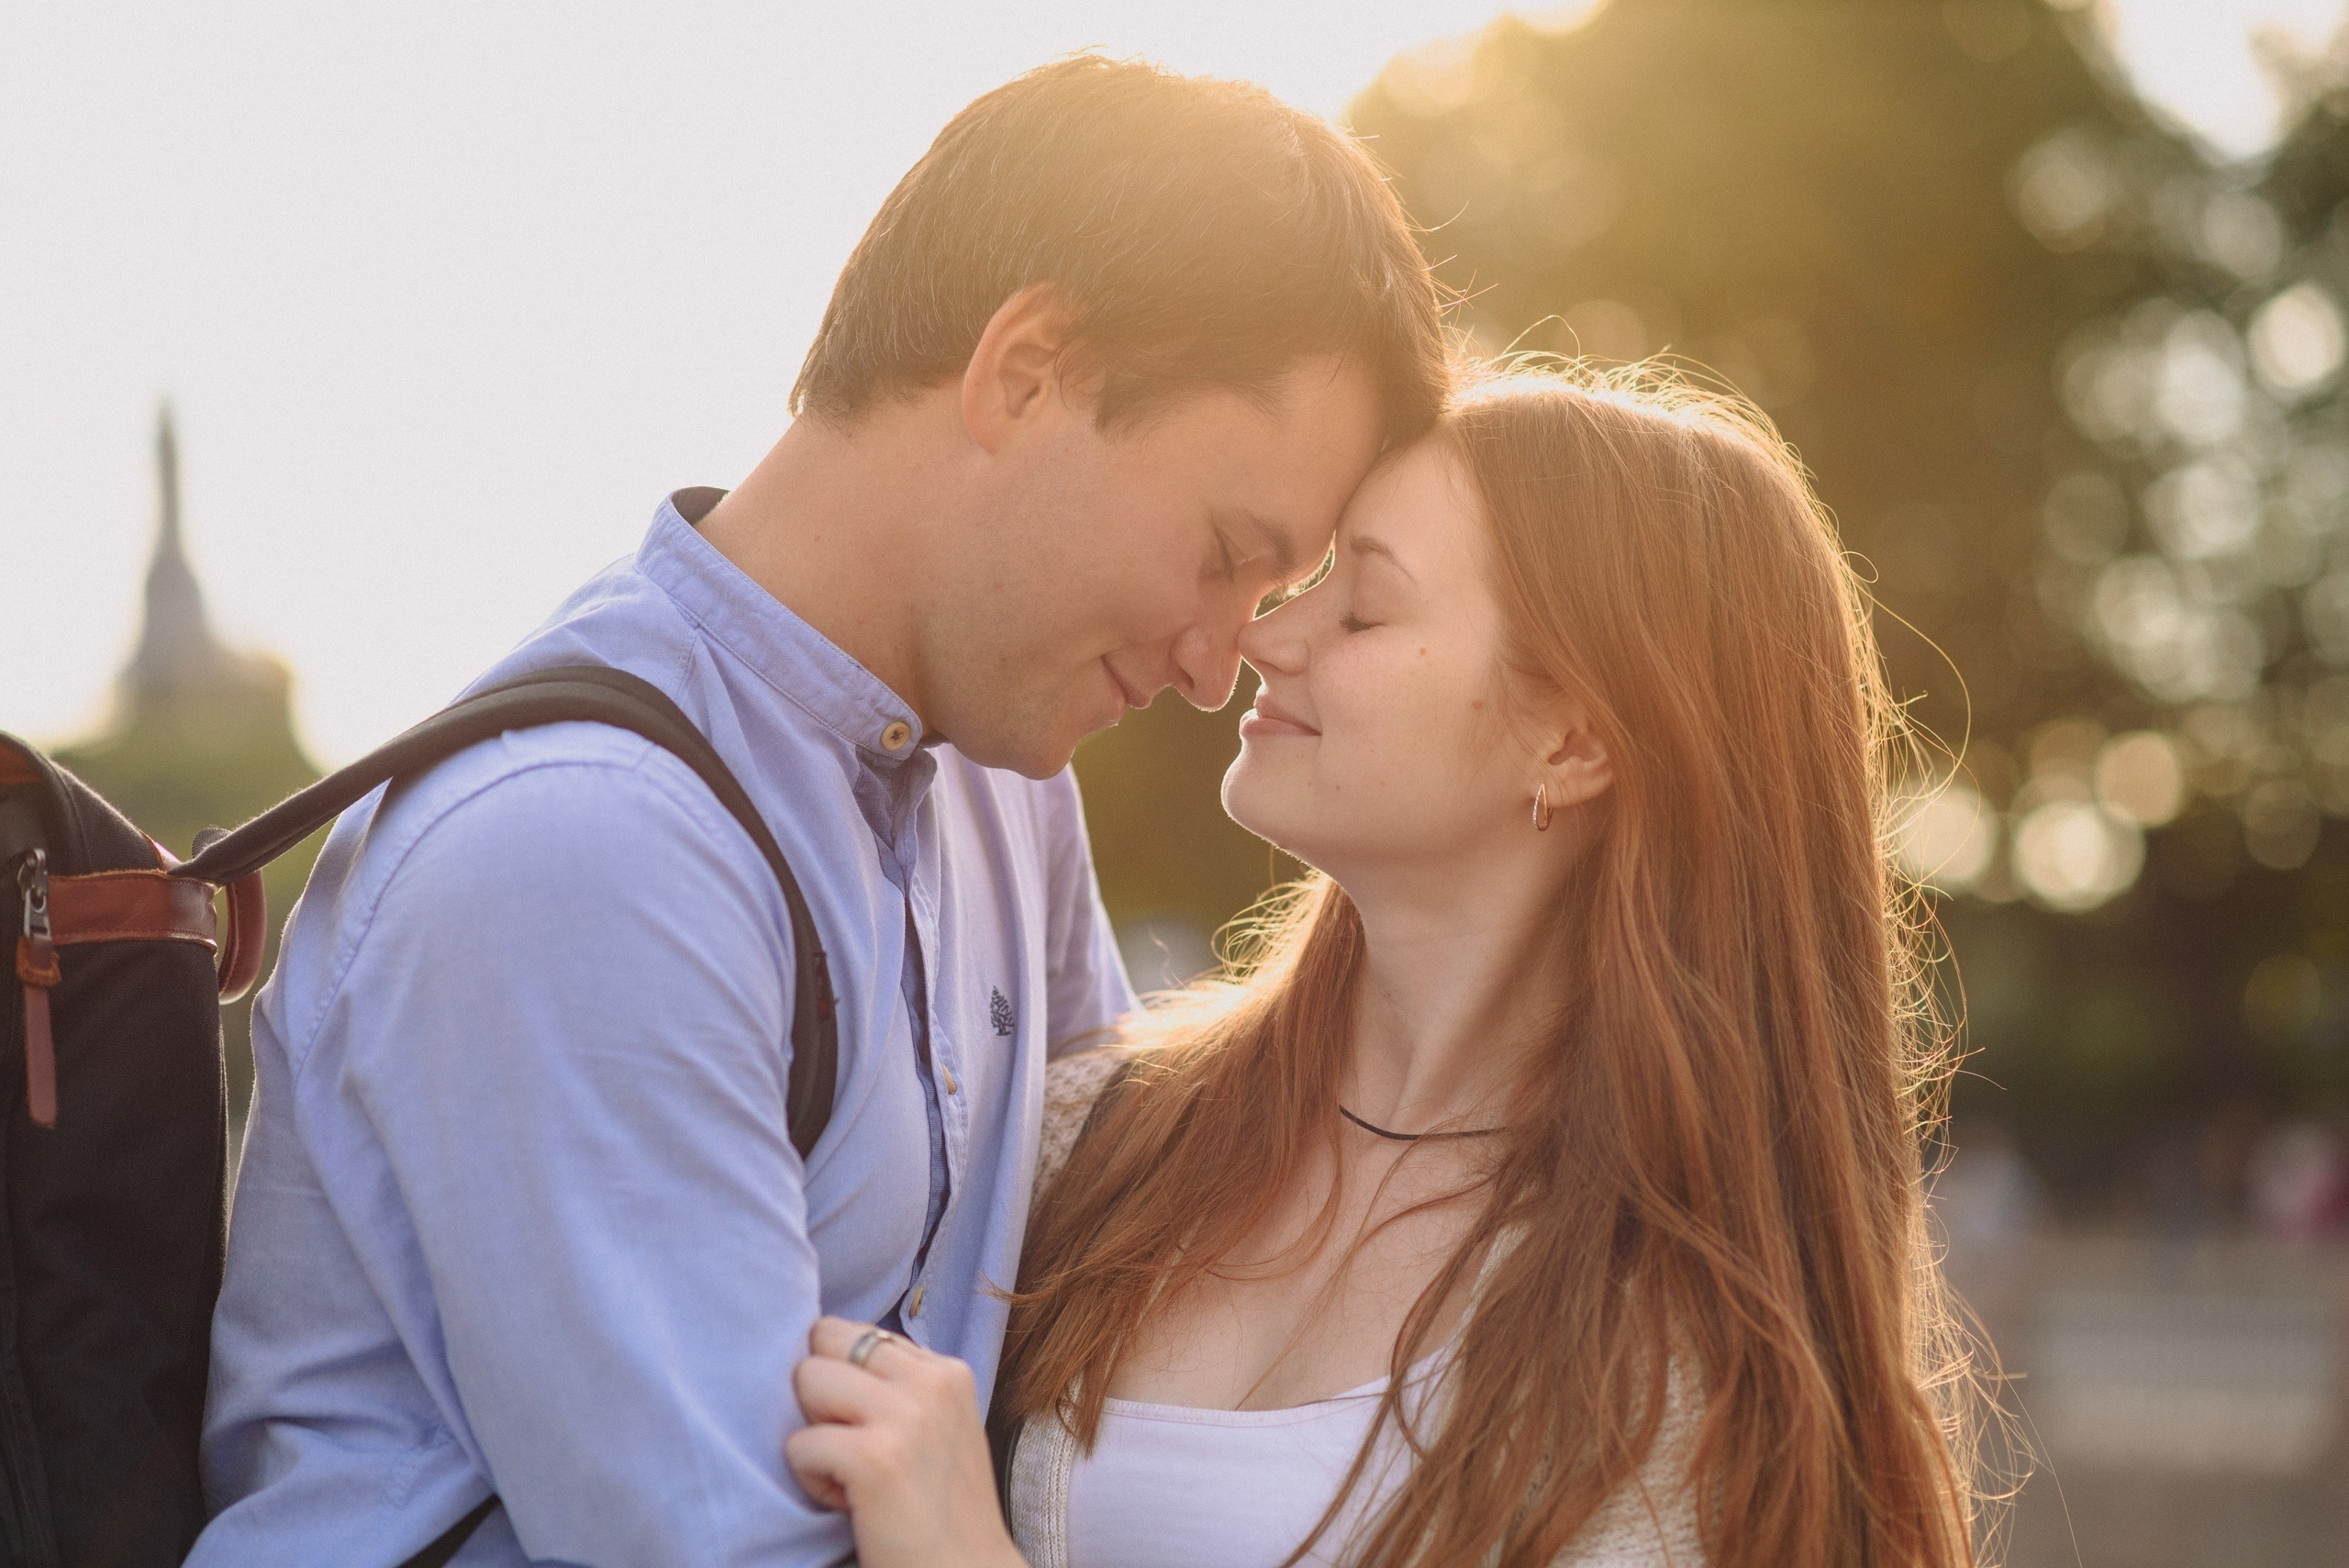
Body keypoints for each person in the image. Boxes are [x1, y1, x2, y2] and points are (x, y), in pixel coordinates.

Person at [190, 56, 1445, 1566]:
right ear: (1026, 373)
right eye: (1228, 553)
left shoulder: (1005, 783)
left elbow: (1129, 1283)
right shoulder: (585, 851)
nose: (1214, 661)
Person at [782, 366, 1986, 1568]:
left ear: (1571, 741)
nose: (1263, 635)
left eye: (1362, 609)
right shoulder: (1091, 1137)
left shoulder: (1694, 1374)